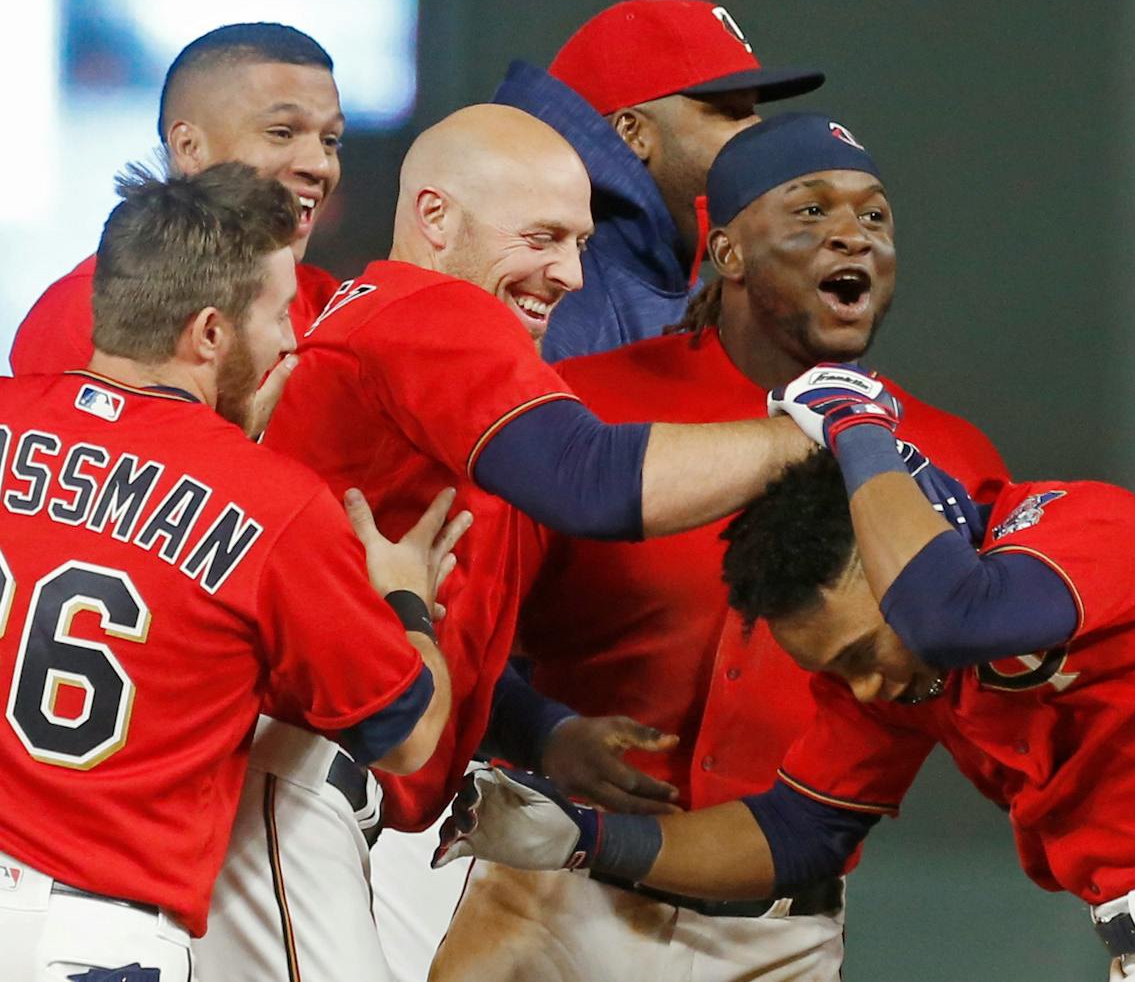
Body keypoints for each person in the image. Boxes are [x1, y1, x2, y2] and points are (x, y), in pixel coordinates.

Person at [436, 395, 1135, 978]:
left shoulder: (1081, 526)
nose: (868, 680)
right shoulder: (908, 662)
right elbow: (792, 832)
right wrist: (585, 840)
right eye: (838, 667)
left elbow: (959, 615)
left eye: (867, 645)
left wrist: (859, 428)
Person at [242, 103, 867, 982]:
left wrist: (543, 731)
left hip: (344, 786)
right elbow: (591, 479)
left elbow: (453, 617)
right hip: (307, 783)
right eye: (541, 236)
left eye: (580, 240)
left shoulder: (404, 334)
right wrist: (822, 427)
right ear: (434, 216)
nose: (571, 272)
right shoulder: (428, 315)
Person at [428, 112, 1009, 982]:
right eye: (809, 211)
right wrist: (543, 731)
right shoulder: (582, 416)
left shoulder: (954, 460)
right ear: (727, 252)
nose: (852, 232)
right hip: (547, 903)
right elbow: (454, 629)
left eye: (875, 216)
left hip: (783, 932)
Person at [0, 162, 458, 980]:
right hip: (100, 941)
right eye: (279, 313)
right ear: (210, 333)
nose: (290, 338)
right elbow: (409, 736)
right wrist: (406, 600)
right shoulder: (273, 504)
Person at [10, 22, 345, 402]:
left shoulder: (334, 308)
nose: (320, 165)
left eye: (330, 140)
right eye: (282, 132)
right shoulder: (88, 311)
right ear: (188, 147)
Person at [492, 0, 823, 362]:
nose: (756, 129)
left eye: (753, 110)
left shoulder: (683, 284)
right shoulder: (554, 297)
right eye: (729, 111)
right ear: (633, 133)